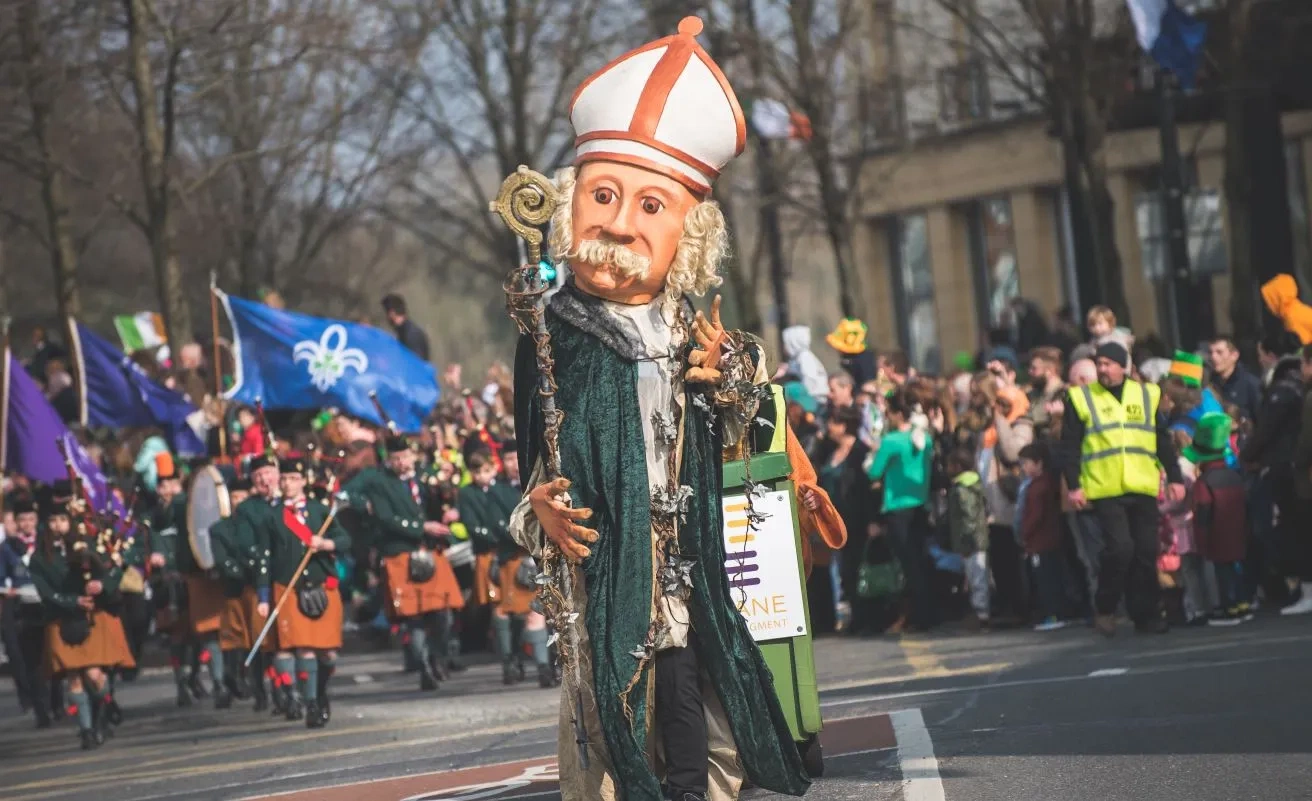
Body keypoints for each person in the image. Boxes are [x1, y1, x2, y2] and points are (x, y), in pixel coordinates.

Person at [509, 17, 811, 800]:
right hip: (606, 556)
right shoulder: (552, 331)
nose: (619, 222)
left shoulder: (692, 325)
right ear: (572, 205)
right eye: (603, 196)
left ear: (690, 231)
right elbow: (532, 458)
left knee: (695, 688)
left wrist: (730, 378)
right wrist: (536, 509)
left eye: (651, 205)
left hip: (688, 551)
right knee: (616, 696)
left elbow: (749, 407)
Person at [1060, 341, 1185, 636]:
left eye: (1107, 364)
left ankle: (1147, 615)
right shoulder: (1080, 398)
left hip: (1141, 484)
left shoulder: (1146, 394)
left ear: (1123, 367)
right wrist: (1075, 486)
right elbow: (1069, 448)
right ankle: (1105, 605)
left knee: (1146, 551)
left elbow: (1160, 440)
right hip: (1104, 487)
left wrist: (1175, 477)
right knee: (1120, 550)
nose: (1102, 370)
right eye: (1098, 364)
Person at [344, 434, 465, 691]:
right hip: (399, 552)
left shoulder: (424, 476)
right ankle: (423, 668)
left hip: (431, 551)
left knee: (443, 612)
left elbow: (443, 500)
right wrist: (422, 526)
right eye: (397, 458)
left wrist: (447, 499)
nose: (402, 462)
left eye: (406, 457)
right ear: (389, 459)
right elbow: (384, 517)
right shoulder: (378, 481)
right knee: (414, 617)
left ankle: (438, 657)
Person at [30, 497, 133, 749]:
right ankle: (86, 730)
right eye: (52, 520)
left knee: (95, 675)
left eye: (63, 520)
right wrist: (72, 600)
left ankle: (104, 707)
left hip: (94, 616)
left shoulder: (89, 544)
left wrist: (102, 585)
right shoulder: (40, 558)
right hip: (61, 619)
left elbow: (116, 567)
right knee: (74, 678)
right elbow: (45, 592)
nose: (58, 525)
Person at [257, 455, 351, 727]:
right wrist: (264, 596)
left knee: (327, 653)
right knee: (303, 650)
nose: (288, 484)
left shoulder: (319, 510)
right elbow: (264, 559)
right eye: (284, 479)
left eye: (293, 479)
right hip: (289, 588)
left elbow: (345, 539)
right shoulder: (272, 517)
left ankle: (319, 693)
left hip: (322, 586)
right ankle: (309, 703)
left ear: (303, 482)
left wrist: (326, 544)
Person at [459, 450, 552, 686]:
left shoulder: (539, 484)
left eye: (516, 457)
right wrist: (528, 537)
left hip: (539, 557)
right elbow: (497, 525)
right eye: (509, 458)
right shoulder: (497, 491)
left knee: (535, 612)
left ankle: (543, 668)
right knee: (508, 613)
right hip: (511, 558)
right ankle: (511, 661)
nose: (514, 463)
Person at [868, 389, 935, 631]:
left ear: (897, 413)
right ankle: (927, 612)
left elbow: (874, 472)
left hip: (897, 506)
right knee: (920, 559)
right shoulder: (925, 438)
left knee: (908, 564)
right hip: (921, 503)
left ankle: (919, 616)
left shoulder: (892, 441)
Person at [1184, 414, 1253, 625]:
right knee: (1236, 570)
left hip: (1217, 537)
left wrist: (1201, 542)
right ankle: (1242, 605)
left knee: (1223, 574)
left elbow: (1203, 514)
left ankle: (1228, 609)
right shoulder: (1235, 476)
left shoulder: (1204, 483)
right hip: (1239, 533)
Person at [809, 406, 872, 635]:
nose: (829, 428)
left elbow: (866, 489)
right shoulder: (829, 450)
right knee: (837, 571)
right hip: (831, 519)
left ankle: (862, 618)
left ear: (844, 425)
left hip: (854, 519)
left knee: (854, 569)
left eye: (833, 423)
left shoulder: (861, 451)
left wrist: (873, 519)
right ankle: (833, 619)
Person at [229, 456, 282, 711]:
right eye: (258, 475)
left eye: (268, 473)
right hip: (259, 582)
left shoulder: (288, 504)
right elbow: (244, 546)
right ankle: (262, 689)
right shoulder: (247, 509)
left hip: (288, 580)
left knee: (287, 640)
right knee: (263, 641)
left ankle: (285, 688)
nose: (264, 480)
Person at [1, 498, 51, 727]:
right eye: (22, 520)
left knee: (49, 653)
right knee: (29, 660)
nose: (27, 524)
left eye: (31, 519)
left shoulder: (45, 542)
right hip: (22, 605)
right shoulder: (8, 547)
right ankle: (41, 709)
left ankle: (57, 701)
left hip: (46, 602)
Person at [210, 477, 255, 703]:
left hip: (257, 587)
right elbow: (222, 560)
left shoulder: (258, 522)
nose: (238, 501)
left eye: (243, 496)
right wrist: (243, 572)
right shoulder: (219, 528)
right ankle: (232, 677)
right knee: (234, 637)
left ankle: (259, 683)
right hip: (235, 588)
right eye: (235, 496)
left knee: (258, 636)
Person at [1017, 442, 1066, 631]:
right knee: (1051, 577)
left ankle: (1053, 615)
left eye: (1027, 463)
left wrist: (1024, 533)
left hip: (1040, 541)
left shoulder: (1038, 487)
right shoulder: (1045, 483)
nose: (1023, 468)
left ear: (1039, 463)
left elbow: (1034, 516)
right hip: (1049, 539)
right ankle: (1056, 613)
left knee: (1046, 580)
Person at [946, 449, 989, 632]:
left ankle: (982, 615)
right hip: (976, 538)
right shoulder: (974, 484)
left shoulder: (962, 489)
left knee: (976, 577)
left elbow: (968, 516)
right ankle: (980, 612)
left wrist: (968, 541)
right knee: (976, 577)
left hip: (971, 541)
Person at [1208, 337, 1262, 425]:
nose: (1213, 357)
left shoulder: (1250, 384)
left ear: (1234, 355)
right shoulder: (1209, 384)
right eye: (1211, 352)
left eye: (1219, 352)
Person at [780, 325, 829, 404]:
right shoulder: (801, 356)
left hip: (815, 398)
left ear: (793, 342)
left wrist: (804, 400)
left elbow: (809, 379)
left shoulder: (804, 357)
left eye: (785, 343)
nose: (783, 347)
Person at [381, 294, 431, 361]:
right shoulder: (403, 332)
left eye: (387, 312)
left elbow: (415, 364)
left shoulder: (411, 334)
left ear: (392, 313)